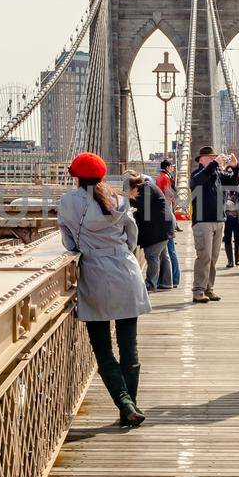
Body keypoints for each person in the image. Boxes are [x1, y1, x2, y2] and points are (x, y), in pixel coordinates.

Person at [60, 153, 151, 427]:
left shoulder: (68, 202)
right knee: (128, 346)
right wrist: (120, 251)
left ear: (75, 177)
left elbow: (68, 242)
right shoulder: (120, 199)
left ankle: (125, 402)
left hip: (96, 274)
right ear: (102, 175)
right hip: (126, 270)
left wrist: (88, 247)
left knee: (102, 347)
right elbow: (132, 235)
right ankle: (129, 408)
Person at [189, 147, 234, 303]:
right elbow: (198, 181)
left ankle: (209, 288)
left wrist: (235, 167)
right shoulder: (197, 174)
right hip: (203, 222)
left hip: (219, 220)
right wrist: (215, 164)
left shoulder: (218, 174)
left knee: (213, 257)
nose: (215, 159)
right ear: (202, 159)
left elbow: (234, 181)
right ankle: (198, 290)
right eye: (211, 157)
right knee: (204, 256)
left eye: (215, 157)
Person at [127, 172, 173, 291]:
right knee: (163, 255)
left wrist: (126, 199)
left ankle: (151, 283)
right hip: (163, 226)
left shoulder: (145, 188)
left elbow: (141, 205)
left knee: (152, 255)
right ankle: (167, 282)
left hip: (157, 228)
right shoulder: (148, 187)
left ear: (134, 187)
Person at [156, 158, 182, 290]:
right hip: (166, 216)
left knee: (168, 250)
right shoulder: (165, 177)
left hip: (163, 217)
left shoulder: (161, 177)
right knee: (169, 250)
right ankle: (173, 278)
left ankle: (171, 279)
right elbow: (169, 196)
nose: (172, 168)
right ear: (167, 167)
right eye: (171, 166)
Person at [223, 180, 239, 269]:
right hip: (227, 217)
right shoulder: (223, 186)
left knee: (238, 237)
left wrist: (232, 200)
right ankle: (230, 260)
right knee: (227, 238)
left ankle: (237, 256)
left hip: (238, 217)